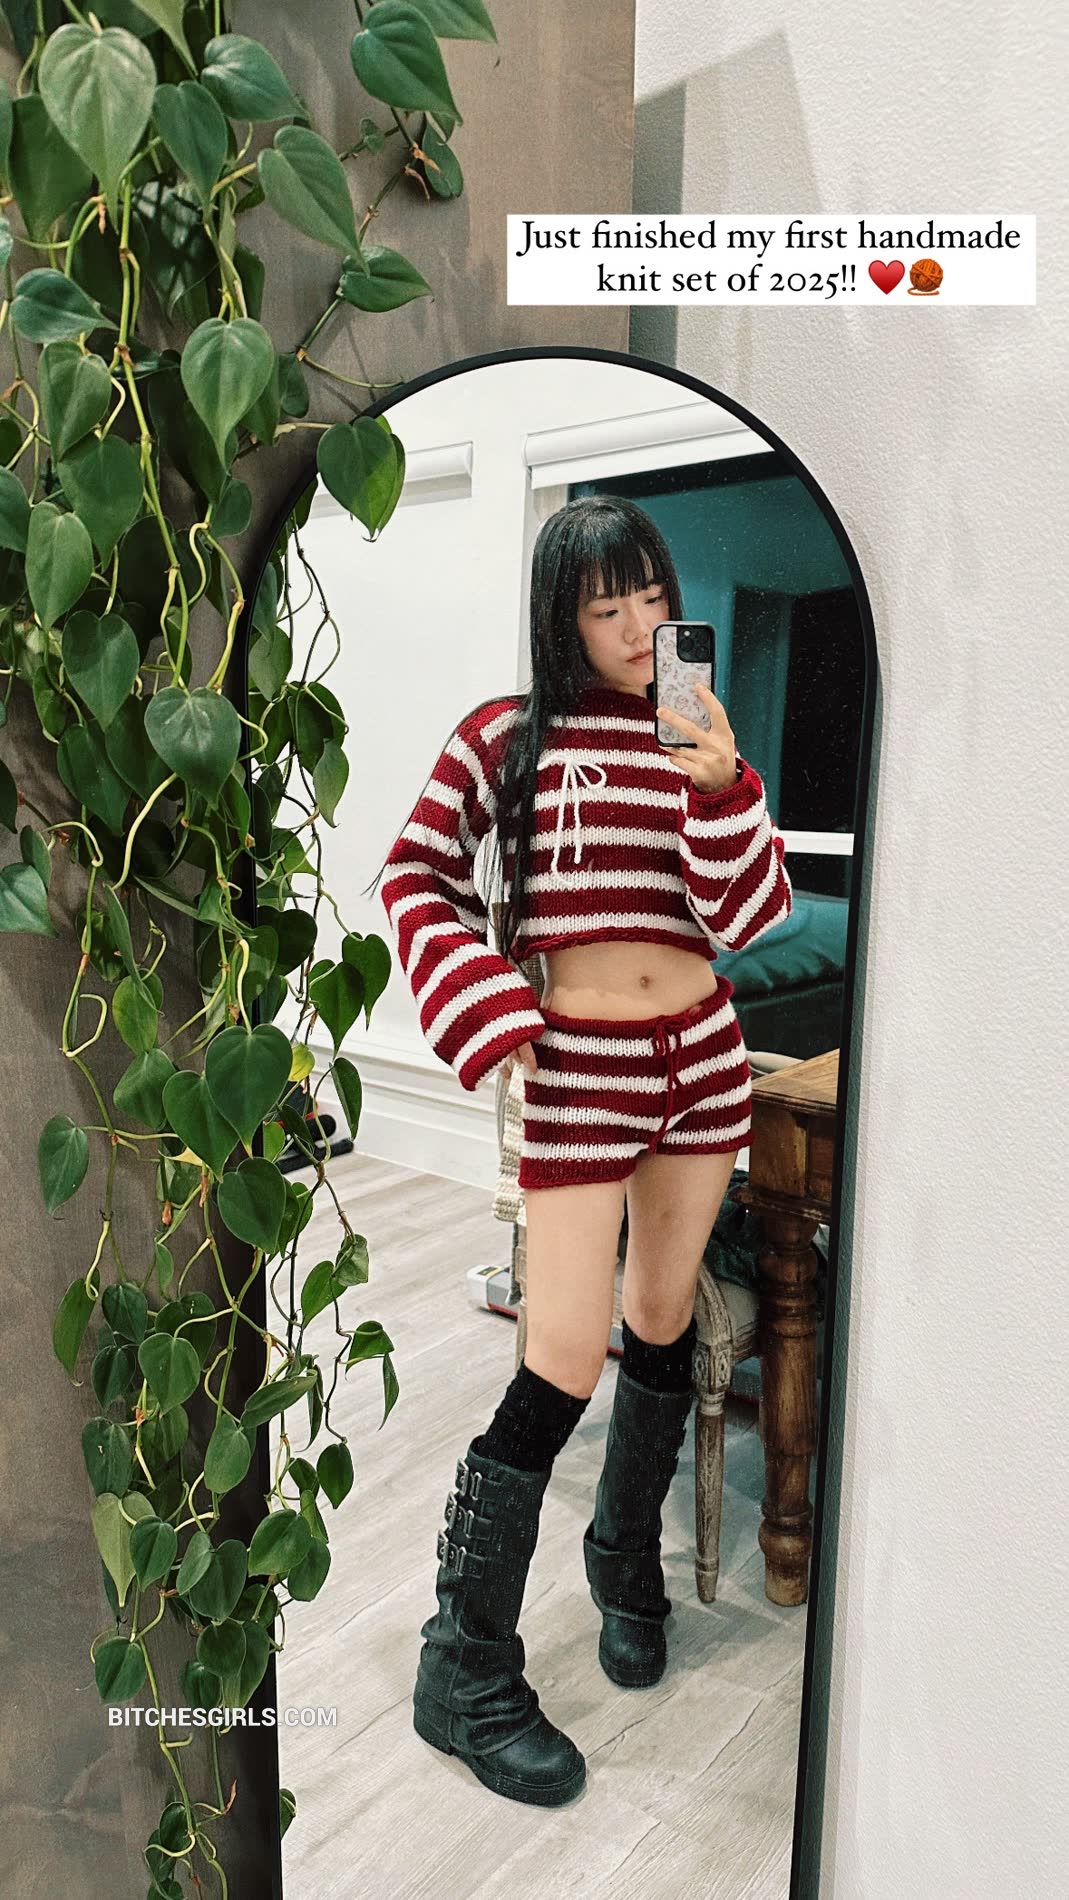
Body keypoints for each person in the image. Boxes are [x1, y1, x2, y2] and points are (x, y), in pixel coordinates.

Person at [374, 496, 792, 1808]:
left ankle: (624, 1556)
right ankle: (462, 1664)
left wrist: (722, 788)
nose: (633, 627)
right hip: (582, 1066)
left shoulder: (694, 735)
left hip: (702, 1061)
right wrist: (490, 1004)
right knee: (559, 1355)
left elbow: (749, 914)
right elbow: (412, 878)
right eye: (604, 606)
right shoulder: (507, 737)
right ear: (562, 617)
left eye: (649, 598)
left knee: (661, 1317)